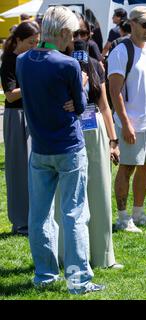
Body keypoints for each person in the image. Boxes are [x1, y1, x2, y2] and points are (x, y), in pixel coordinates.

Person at [16, 6, 104, 294]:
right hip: (68, 146)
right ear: (64, 32)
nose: (74, 39)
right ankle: (79, 280)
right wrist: (78, 89)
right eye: (73, 33)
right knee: (74, 214)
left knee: (39, 215)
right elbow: (80, 106)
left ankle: (44, 276)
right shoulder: (68, 65)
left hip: (39, 148)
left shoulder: (22, 61)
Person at [53, 21, 122, 268]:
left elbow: (104, 105)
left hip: (95, 132)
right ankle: (64, 255)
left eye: (83, 34)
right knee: (67, 196)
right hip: (66, 132)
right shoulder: (58, 65)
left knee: (100, 193)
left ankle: (103, 256)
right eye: (75, 34)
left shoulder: (94, 66)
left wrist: (114, 141)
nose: (79, 39)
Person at [108, 6, 146, 232]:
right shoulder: (121, 51)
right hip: (130, 124)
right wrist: (125, 123)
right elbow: (114, 92)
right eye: (144, 24)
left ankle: (138, 213)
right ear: (131, 23)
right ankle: (123, 218)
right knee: (127, 168)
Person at [0, 21, 40, 236]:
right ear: (17, 41)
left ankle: (34, 217)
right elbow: (10, 94)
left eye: (36, 42)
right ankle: (20, 222)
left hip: (33, 114)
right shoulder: (9, 60)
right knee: (18, 170)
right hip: (16, 116)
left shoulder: (31, 58)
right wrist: (33, 84)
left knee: (34, 168)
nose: (34, 46)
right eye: (30, 42)